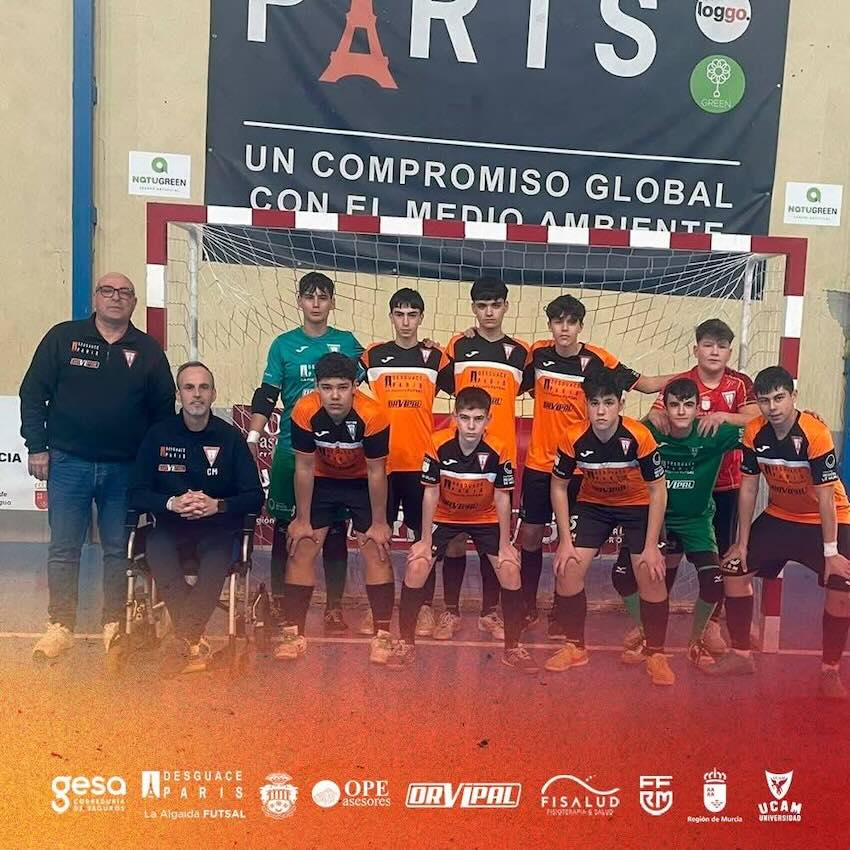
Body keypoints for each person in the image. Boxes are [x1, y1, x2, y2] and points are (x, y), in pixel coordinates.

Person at [21, 273, 175, 664]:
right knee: (63, 548)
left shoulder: (149, 351)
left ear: (134, 302)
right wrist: (37, 446)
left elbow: (163, 416)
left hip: (124, 470)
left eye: (124, 293)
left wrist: (151, 468)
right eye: (108, 291)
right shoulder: (63, 338)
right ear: (96, 298)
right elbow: (33, 394)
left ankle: (114, 624)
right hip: (67, 463)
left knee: (118, 550)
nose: (115, 298)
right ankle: (60, 626)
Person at [519, 294, 674, 639]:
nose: (564, 328)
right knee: (530, 536)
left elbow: (646, 384)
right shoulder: (537, 355)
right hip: (541, 463)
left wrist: (694, 374)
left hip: (583, 469)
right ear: (550, 325)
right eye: (558, 322)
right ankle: (527, 607)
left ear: (580, 326)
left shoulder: (599, 359)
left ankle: (561, 614)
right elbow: (504, 373)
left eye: (571, 322)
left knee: (571, 546)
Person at [710, 366, 850, 699]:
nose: (773, 407)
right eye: (765, 400)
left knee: (842, 588)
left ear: (793, 397)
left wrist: (831, 553)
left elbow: (827, 500)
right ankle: (741, 654)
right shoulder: (754, 432)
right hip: (780, 516)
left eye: (779, 398)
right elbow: (748, 488)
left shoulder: (815, 433)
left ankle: (829, 670)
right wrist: (741, 543)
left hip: (827, 519)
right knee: (733, 569)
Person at [129, 363, 264, 676]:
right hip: (170, 527)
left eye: (204, 387)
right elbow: (135, 493)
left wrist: (218, 505)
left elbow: (255, 497)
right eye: (189, 388)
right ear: (179, 395)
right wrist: (172, 503)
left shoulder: (230, 438)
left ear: (213, 394)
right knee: (157, 550)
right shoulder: (158, 435)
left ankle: (182, 640)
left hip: (217, 529)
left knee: (216, 560)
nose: (197, 394)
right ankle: (191, 641)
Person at [247, 272, 363, 635]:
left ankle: (334, 608)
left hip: (336, 453)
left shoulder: (347, 343)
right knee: (287, 527)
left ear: (332, 302)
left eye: (322, 297)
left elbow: (373, 377)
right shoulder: (283, 345)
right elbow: (267, 394)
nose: (316, 303)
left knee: (335, 529)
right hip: (291, 449)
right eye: (309, 297)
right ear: (299, 301)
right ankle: (281, 602)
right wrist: (252, 435)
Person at [633, 318, 758, 654]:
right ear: (696, 349)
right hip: (680, 484)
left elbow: (756, 420)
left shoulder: (740, 383)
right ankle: (650, 625)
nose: (714, 351)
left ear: (729, 352)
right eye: (708, 345)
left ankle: (711, 626)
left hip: (726, 484)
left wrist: (724, 416)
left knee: (723, 558)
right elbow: (654, 418)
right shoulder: (681, 383)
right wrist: (653, 416)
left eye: (721, 346)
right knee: (668, 557)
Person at [391, 387, 536, 672]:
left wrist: (505, 544)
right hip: (445, 515)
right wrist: (424, 540)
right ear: (455, 417)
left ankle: (513, 648)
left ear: (488, 420)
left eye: (478, 419)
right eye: (465, 418)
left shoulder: (499, 448)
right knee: (417, 565)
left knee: (509, 568)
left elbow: (502, 497)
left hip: (484, 517)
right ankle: (405, 644)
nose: (471, 426)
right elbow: (430, 493)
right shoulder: (437, 443)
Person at [545, 370, 673, 686]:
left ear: (621, 405)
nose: (601, 411)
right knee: (567, 568)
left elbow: (658, 490)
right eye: (594, 403)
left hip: (637, 505)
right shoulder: (573, 437)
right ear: (586, 405)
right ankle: (575, 647)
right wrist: (565, 541)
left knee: (650, 571)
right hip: (594, 506)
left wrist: (652, 545)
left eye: (608, 403)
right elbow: (558, 486)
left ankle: (655, 652)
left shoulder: (639, 437)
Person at [612, 378, 742, 668]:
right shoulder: (651, 430)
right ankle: (646, 633)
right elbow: (615, 432)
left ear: (698, 408)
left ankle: (696, 641)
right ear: (665, 407)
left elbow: (762, 424)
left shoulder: (712, 432)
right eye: (674, 405)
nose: (681, 411)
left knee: (714, 583)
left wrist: (804, 418)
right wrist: (647, 416)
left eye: (688, 405)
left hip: (696, 521)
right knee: (622, 576)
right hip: (654, 520)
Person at [430, 277, 529, 642]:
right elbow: (437, 378)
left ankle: (490, 613)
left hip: (498, 459)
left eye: (496, 305)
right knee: (455, 538)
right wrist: (429, 346)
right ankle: (451, 612)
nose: (489, 312)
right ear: (473, 308)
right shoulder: (458, 346)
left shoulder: (521, 353)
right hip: (459, 458)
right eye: (482, 306)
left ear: (506, 307)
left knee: (494, 544)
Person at [279, 353, 393, 664]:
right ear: (316, 387)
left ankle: (383, 637)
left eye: (342, 387)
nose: (334, 396)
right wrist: (302, 519)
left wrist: (379, 523)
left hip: (361, 481)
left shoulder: (373, 414)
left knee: (377, 548)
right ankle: (293, 633)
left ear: (355, 386)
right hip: (323, 479)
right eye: (327, 387)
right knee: (302, 545)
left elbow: (377, 472)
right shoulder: (304, 410)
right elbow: (304, 467)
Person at [358, 288, 451, 638]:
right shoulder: (373, 356)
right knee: (375, 536)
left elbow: (469, 392)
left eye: (412, 315)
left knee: (423, 539)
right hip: (380, 464)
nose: (406, 321)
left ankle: (424, 608)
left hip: (420, 462)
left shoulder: (435, 357)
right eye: (399, 314)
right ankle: (377, 609)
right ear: (391, 317)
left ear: (421, 318)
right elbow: (340, 385)